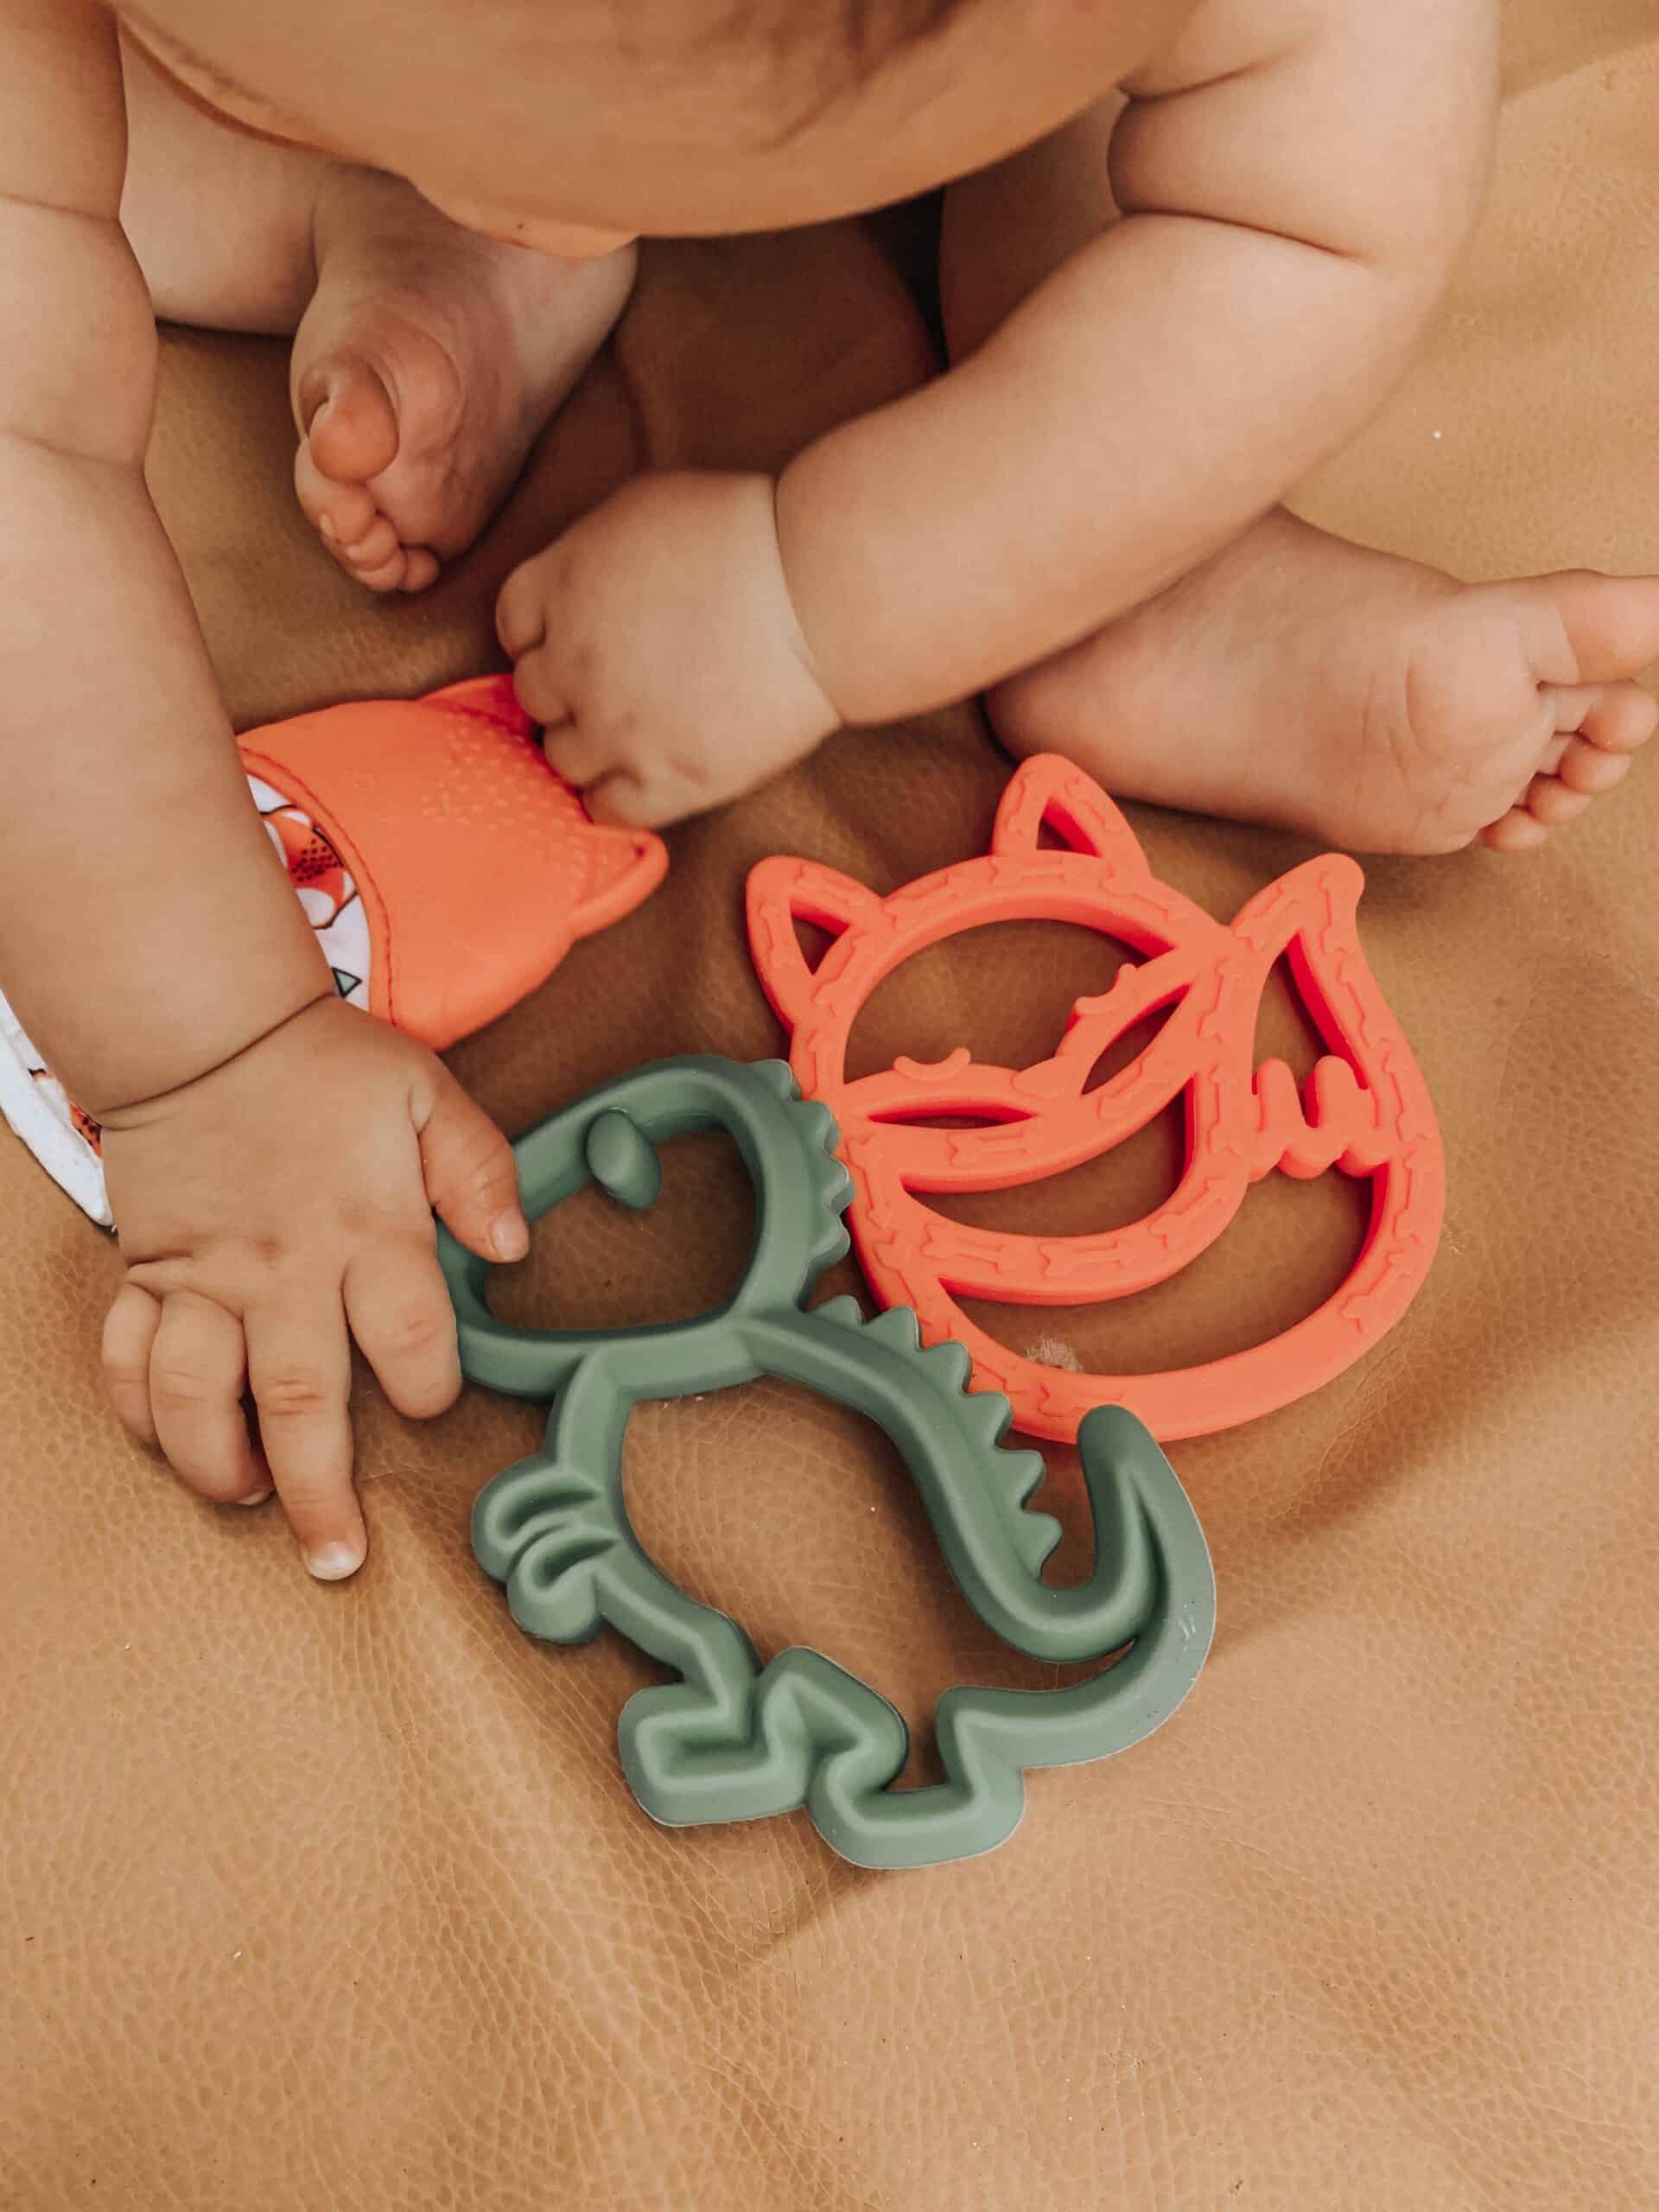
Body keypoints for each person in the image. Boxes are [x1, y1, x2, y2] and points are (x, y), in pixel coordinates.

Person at [3, 0, 1651, 1579]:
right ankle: (385, 211)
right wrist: (206, 1059)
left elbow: (1296, 229)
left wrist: (834, 595)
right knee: (126, 139)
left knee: (1122, 184)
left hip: (1005, 80)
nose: (566, 203)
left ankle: (1146, 584)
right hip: (179, 80)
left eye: (555, 182)